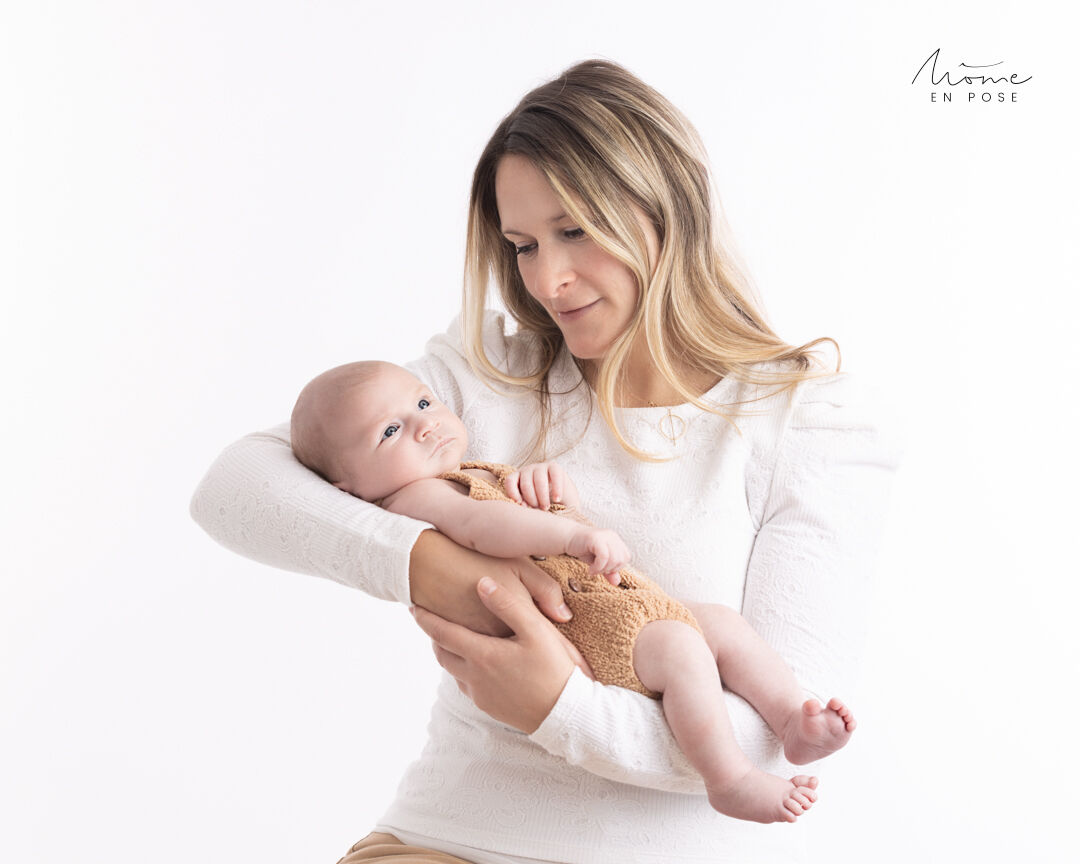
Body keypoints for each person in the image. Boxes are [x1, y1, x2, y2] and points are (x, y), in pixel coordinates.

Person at [191, 59, 899, 863]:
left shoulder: (813, 423)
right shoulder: (489, 374)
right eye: (524, 245)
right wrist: (440, 569)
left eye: (575, 231)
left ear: (667, 211)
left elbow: (771, 737)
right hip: (446, 839)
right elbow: (234, 489)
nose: (548, 280)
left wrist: (554, 705)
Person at [288, 358, 858, 825]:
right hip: (589, 629)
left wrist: (554, 496)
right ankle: (728, 778)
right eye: (389, 432)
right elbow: (483, 527)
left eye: (422, 403)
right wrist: (570, 533)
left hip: (621, 603)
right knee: (685, 650)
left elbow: (518, 524)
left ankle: (791, 719)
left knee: (723, 627)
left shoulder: (469, 471)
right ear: (349, 487)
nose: (424, 426)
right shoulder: (413, 498)